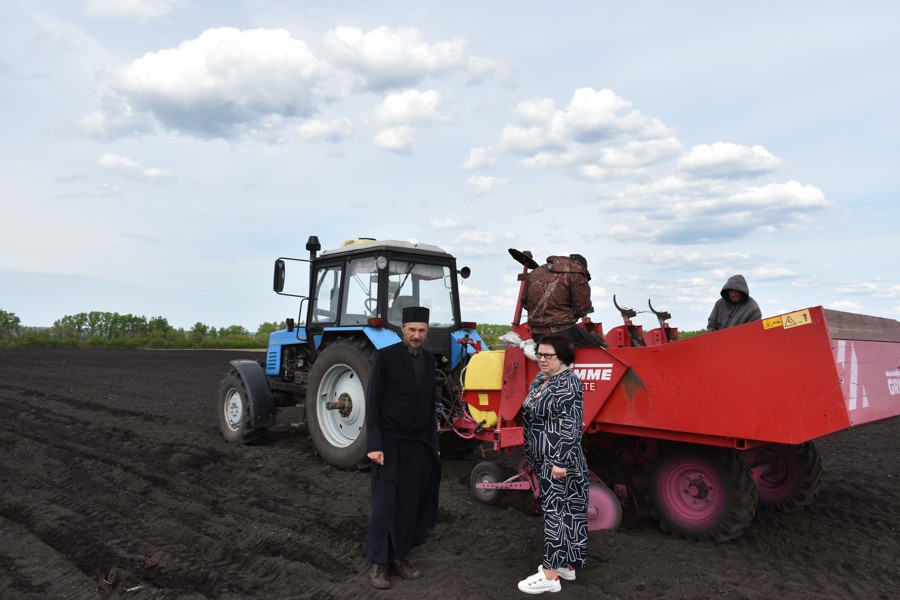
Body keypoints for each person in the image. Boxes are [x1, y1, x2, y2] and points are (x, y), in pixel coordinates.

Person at [364, 306, 442, 590]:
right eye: (412, 330)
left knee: (410, 502)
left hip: (418, 443)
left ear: (427, 332)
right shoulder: (385, 358)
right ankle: (379, 563)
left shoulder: (429, 360)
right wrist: (374, 444)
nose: (417, 335)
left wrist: (433, 443)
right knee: (385, 504)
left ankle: (400, 557)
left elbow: (431, 404)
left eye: (422, 331)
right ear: (402, 330)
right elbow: (372, 402)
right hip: (388, 443)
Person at [517, 334, 589, 595]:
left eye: (549, 356)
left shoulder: (568, 383)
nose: (543, 360)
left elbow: (571, 426)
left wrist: (559, 462)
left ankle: (549, 575)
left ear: (563, 358)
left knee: (556, 514)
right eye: (540, 354)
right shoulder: (546, 381)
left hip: (560, 462)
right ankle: (566, 565)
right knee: (566, 512)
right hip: (547, 460)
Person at [522, 254, 608, 348]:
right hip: (563, 332)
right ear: (582, 266)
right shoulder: (577, 273)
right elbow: (581, 309)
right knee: (601, 348)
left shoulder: (535, 272)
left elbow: (524, 302)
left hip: (536, 333)